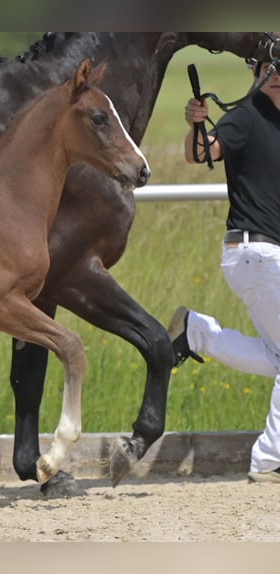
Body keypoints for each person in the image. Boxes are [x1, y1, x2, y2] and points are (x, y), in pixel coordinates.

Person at [168, 54, 280, 483]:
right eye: (269, 70)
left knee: (276, 357)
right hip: (255, 253)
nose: (275, 78)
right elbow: (200, 154)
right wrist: (197, 122)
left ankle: (196, 332)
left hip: (262, 256)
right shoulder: (247, 117)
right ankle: (269, 461)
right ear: (257, 73)